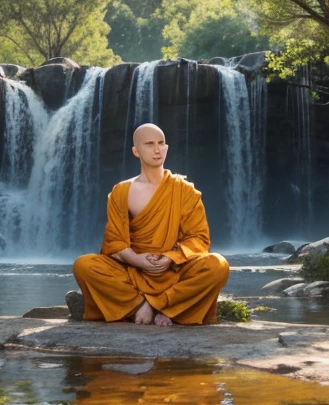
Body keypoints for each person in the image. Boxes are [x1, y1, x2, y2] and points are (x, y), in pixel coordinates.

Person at [67, 123, 230, 326]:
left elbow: (199, 238)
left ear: (167, 148)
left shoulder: (185, 190)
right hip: (134, 270)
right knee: (83, 265)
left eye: (161, 143)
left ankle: (157, 305)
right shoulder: (121, 191)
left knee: (218, 265)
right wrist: (137, 260)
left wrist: (170, 258)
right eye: (149, 144)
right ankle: (142, 305)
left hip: (174, 269)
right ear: (136, 151)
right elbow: (114, 242)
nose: (157, 150)